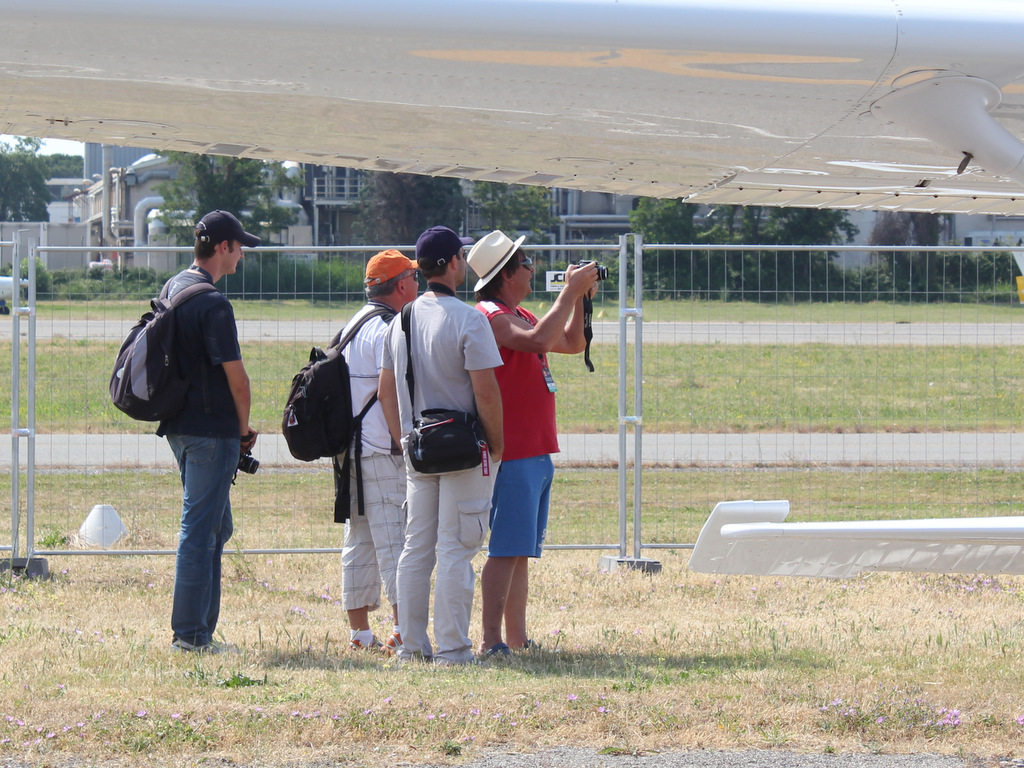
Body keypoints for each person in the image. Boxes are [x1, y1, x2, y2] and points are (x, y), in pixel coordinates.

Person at [377, 225, 504, 666]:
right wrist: (498, 445)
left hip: (419, 447)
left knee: (417, 547)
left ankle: (412, 646)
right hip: (466, 448)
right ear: (452, 263)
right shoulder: (469, 319)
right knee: (456, 547)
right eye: (462, 257)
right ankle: (452, 648)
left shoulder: (403, 320)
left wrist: (404, 438)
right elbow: (486, 392)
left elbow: (385, 390)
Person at [467, 230, 598, 656]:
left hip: (535, 450)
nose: (532, 270)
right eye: (525, 264)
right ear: (506, 274)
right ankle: (491, 641)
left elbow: (572, 343)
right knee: (505, 550)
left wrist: (577, 299)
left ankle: (518, 639)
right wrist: (569, 291)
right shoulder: (491, 315)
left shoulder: (517, 311)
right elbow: (539, 341)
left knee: (521, 551)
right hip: (514, 452)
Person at [158, 209, 259, 654]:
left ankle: (201, 631)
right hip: (211, 431)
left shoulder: (174, 286)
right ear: (224, 248)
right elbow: (238, 380)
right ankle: (191, 636)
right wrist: (242, 433)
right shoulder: (214, 304)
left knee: (217, 528)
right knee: (199, 531)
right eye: (239, 247)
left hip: (180, 427)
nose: (241, 256)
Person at [337, 249, 419, 653]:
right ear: (401, 285)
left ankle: (359, 634)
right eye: (414, 279)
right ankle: (404, 631)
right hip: (379, 450)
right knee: (396, 541)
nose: (418, 285)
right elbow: (389, 395)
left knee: (361, 538)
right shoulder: (391, 329)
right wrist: (402, 444)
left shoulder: (354, 323)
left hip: (349, 452)